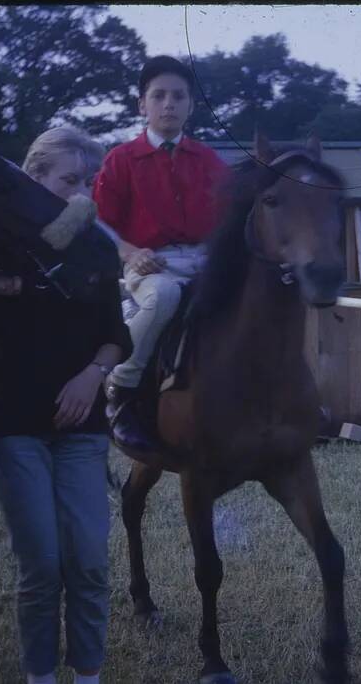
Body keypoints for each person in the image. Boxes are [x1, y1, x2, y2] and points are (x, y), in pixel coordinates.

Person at [0, 126, 132, 684]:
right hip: (14, 423)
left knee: (88, 562)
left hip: (81, 426)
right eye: (69, 181)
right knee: (42, 565)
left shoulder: (95, 246)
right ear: (33, 178)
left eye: (87, 181)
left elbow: (116, 334)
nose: (81, 193)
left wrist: (93, 376)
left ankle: (87, 677)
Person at [92, 55, 230, 449]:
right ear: (143, 105)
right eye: (159, 96)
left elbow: (228, 222)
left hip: (204, 261)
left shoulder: (209, 160)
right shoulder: (121, 159)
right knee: (164, 295)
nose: (168, 104)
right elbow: (100, 226)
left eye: (178, 96)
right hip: (150, 265)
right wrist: (131, 253)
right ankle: (121, 385)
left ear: (190, 105)